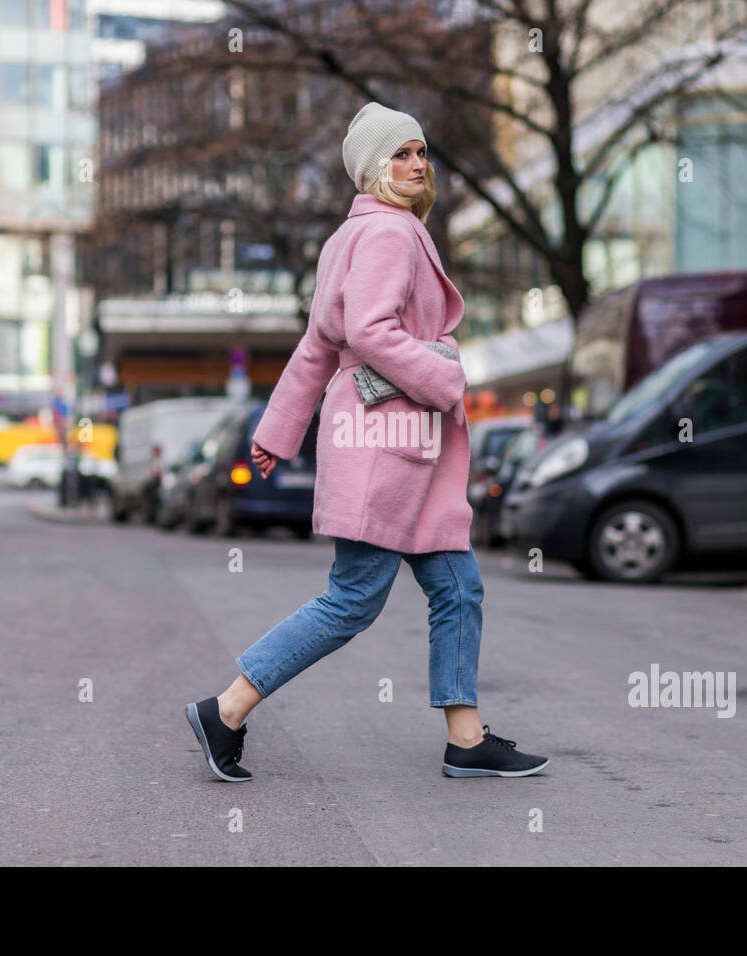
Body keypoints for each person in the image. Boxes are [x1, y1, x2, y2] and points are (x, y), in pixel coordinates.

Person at [185, 102, 549, 783]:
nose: (417, 164)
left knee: (458, 586)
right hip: (390, 440)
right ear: (371, 169)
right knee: (354, 597)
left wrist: (278, 431)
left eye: (420, 151)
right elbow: (372, 333)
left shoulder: (350, 238)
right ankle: (226, 708)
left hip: (393, 440)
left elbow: (319, 344)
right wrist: (442, 376)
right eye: (400, 154)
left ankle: (465, 738)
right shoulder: (389, 236)